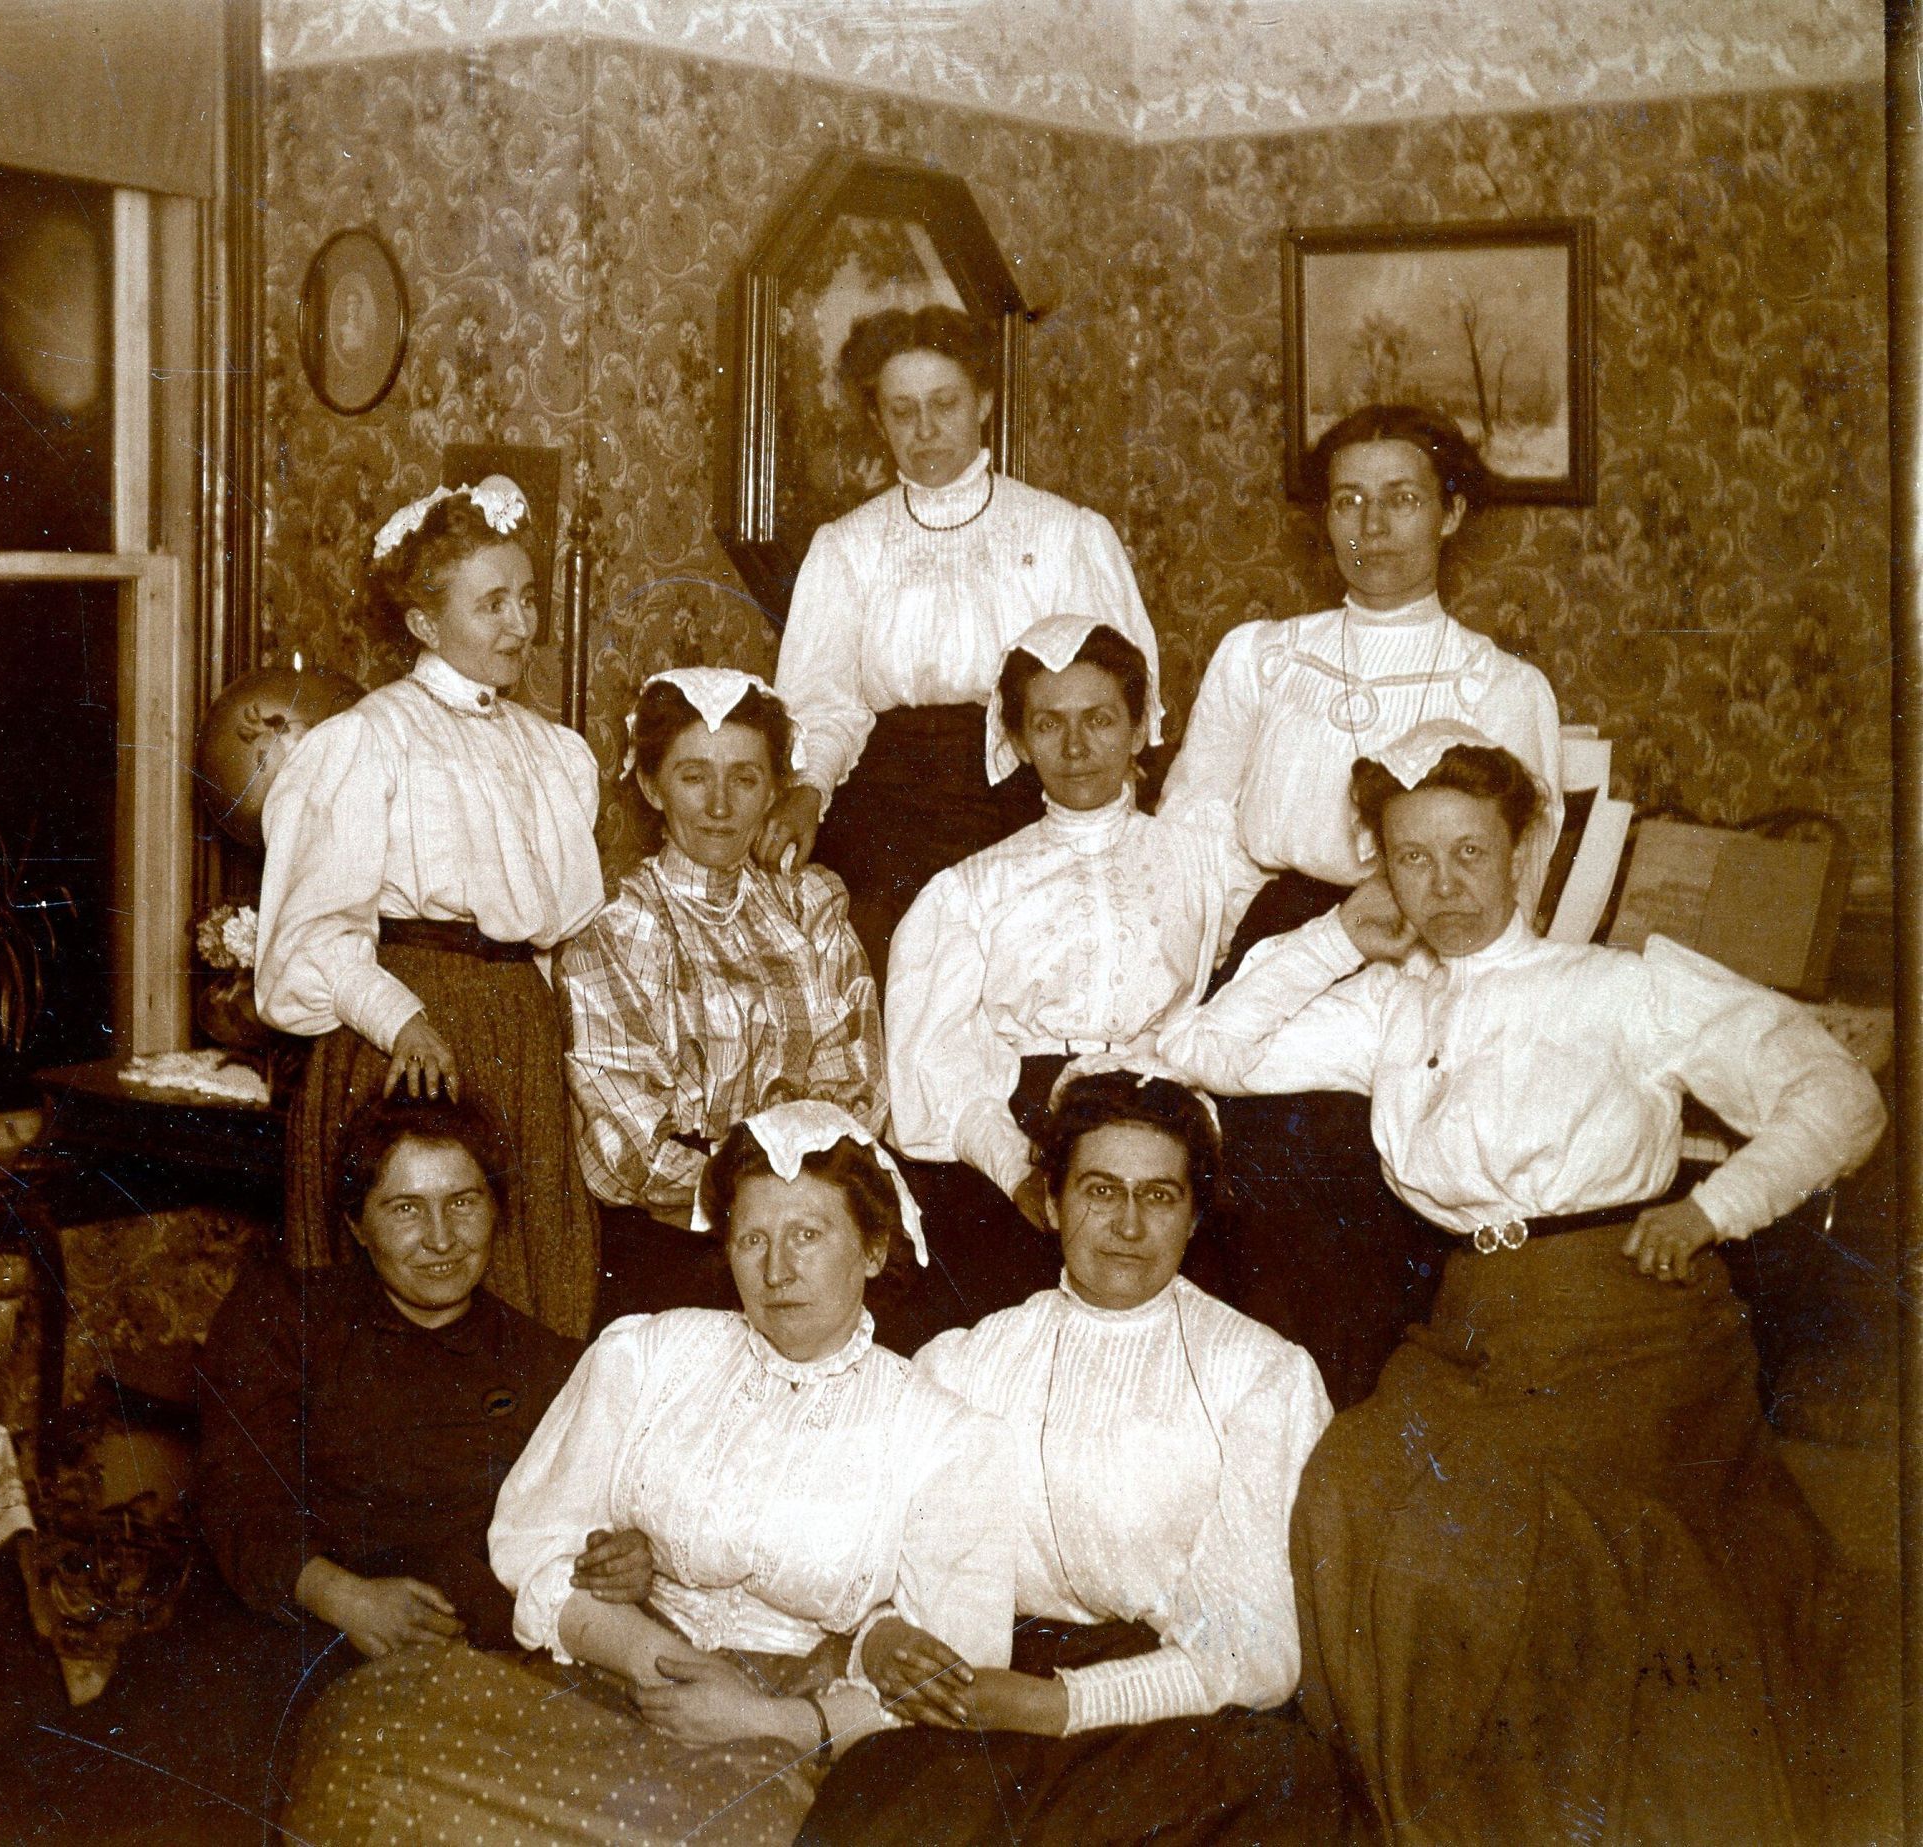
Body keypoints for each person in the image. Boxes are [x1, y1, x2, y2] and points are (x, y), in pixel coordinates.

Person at [1157, 721, 1887, 1846]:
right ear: (1381, 867)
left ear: (1523, 853)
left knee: (1495, 1537)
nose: (1442, 885)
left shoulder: (1620, 987)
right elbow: (1205, 1049)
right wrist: (1340, 933)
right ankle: (1440, 1816)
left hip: (1628, 1317)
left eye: (1469, 852)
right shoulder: (1393, 1008)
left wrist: (1714, 1207)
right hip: (1471, 1332)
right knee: (1349, 1485)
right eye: (1411, 858)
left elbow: (1840, 1094)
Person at [282, 1101, 1018, 1845]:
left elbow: (953, 1683)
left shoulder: (946, 1437)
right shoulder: (650, 1355)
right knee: (366, 1730)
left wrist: (774, 1719)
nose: (777, 1270)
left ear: (873, 1248)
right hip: (613, 1666)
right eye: (753, 1239)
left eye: (807, 1235)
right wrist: (656, 1659)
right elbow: (535, 1543)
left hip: (784, 1732)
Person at [798, 1069, 1348, 1847]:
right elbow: (863, 1561)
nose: (1128, 1223)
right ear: (1053, 1202)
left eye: (1159, 1195)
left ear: (1194, 1215)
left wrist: (1047, 1705)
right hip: (976, 1690)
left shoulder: (1262, 1375)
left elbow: (1255, 1649)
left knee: (1285, 1785)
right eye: (1100, 1189)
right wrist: (883, 1639)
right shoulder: (962, 1364)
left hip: (1172, 1712)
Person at [1153, 407, 1564, 1401]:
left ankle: (1354, 1417)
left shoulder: (1503, 686)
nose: (1372, 526)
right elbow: (1196, 836)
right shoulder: (1262, 656)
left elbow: (1522, 873)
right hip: (1273, 940)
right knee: (1242, 1148)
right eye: (1348, 501)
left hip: (1426, 951)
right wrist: (1183, 987)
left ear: (1452, 512)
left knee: (1380, 1159)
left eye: (1401, 499)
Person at [192, 1097, 647, 1824]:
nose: (441, 1238)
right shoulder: (282, 1320)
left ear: (497, 1210)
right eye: (405, 1208)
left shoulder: (550, 1365)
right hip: (297, 1631)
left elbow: (593, 1524)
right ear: (356, 1224)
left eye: (463, 1201)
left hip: (480, 1664)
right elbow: (236, 1495)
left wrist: (623, 1557)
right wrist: (344, 1597)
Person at [255, 477, 605, 1336]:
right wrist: (401, 1020)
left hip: (520, 1037)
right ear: (423, 622)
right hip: (405, 1042)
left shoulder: (553, 754)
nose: (520, 624)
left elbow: (560, 940)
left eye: (527, 599)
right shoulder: (367, 740)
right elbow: (310, 938)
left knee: (532, 1288)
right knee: (402, 1296)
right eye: (492, 604)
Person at [884, 616, 1262, 1327]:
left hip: (1169, 1110)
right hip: (1024, 1124)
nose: (1077, 747)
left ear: (1139, 726)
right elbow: (937, 1064)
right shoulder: (968, 890)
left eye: (1100, 719)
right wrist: (1017, 1172)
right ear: (1020, 739)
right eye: (1049, 724)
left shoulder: (1203, 862)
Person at [763, 305, 1162, 974]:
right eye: (901, 411)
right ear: (878, 421)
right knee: (887, 952)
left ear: (982, 401)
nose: (924, 430)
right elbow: (824, 705)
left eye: (944, 404)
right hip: (887, 806)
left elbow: (1120, 701)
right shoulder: (847, 547)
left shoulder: (1062, 533)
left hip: (1024, 794)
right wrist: (807, 791)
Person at [559, 668, 886, 1331]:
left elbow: (856, 1085)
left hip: (810, 1228)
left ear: (775, 789)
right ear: (651, 785)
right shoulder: (618, 928)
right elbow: (625, 1147)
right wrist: (756, 1201)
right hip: (677, 1245)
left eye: (744, 778)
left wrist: (790, 1209)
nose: (719, 805)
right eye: (693, 776)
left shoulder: (811, 905)